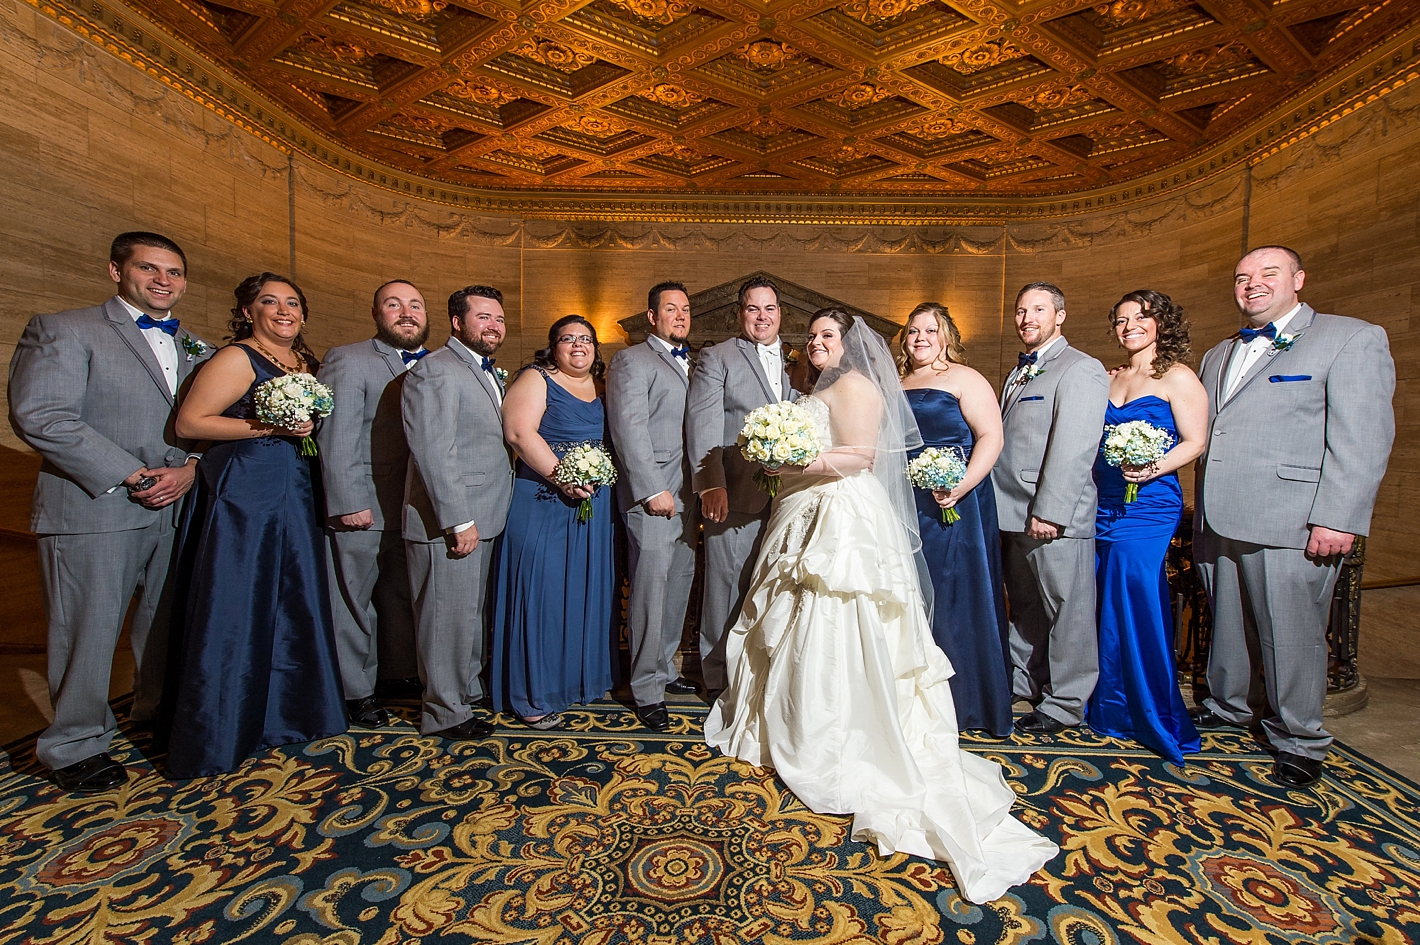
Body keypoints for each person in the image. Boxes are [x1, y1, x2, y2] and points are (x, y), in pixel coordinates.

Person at [706, 310, 1058, 904]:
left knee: (840, 610)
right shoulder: (814, 388)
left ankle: (836, 729)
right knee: (795, 616)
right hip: (804, 505)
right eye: (811, 336)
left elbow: (860, 456)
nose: (817, 344)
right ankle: (793, 717)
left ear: (849, 345)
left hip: (841, 512)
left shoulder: (859, 384)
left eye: (829, 336)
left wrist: (788, 463)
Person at [8, 232, 210, 792]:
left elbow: (208, 425)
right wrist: (130, 473)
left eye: (173, 272)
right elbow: (43, 415)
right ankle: (74, 744)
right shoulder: (65, 329)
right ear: (116, 272)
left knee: (165, 623)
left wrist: (191, 468)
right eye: (149, 269)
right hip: (95, 504)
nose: (163, 280)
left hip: (177, 503)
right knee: (88, 629)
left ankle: (156, 715)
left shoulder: (199, 349)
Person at [1193, 246, 1395, 788]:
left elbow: (1363, 440)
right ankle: (1227, 706)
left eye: (1268, 274)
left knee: (1293, 633)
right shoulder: (1217, 354)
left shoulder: (1349, 338)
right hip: (1219, 516)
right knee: (1227, 624)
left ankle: (1300, 737)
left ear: (1298, 280)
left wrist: (1339, 517)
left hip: (1293, 518)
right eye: (1242, 277)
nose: (1252, 284)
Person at [165, 273, 346, 778]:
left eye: (292, 302)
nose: (283, 310)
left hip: (297, 487)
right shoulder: (235, 358)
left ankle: (290, 712)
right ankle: (219, 726)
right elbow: (191, 423)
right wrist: (271, 425)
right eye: (269, 301)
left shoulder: (307, 364)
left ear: (304, 315)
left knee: (293, 595)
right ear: (247, 311)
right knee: (239, 596)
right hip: (246, 489)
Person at [1086, 290, 1206, 765]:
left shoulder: (1178, 376)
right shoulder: (1109, 376)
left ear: (1162, 323)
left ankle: (1156, 713)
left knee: (1138, 596)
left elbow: (1195, 441)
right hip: (1103, 501)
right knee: (1104, 598)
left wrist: (1151, 466)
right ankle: (1112, 709)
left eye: (1141, 317)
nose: (1129, 325)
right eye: (1121, 319)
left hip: (1150, 504)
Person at [993, 282, 1109, 736]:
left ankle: (1066, 703)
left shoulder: (1081, 369)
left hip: (1053, 516)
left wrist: (1053, 511)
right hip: (1013, 511)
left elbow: (1075, 447)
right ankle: (1023, 682)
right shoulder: (1019, 371)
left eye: (1038, 310)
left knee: (1068, 610)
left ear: (1060, 316)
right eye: (1021, 311)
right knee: (1024, 606)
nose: (1027, 319)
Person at [402, 285, 513, 740]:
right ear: (457, 321)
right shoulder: (436, 370)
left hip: (485, 512)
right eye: (483, 317)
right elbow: (433, 450)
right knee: (445, 616)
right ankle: (445, 712)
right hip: (451, 520)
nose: (493, 326)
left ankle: (463, 691)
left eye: (499, 319)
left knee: (466, 614)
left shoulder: (483, 372)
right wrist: (457, 518)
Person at [494, 315, 615, 730]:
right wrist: (564, 477)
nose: (578, 345)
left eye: (586, 339)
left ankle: (573, 683)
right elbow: (518, 433)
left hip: (593, 504)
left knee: (582, 591)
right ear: (553, 345)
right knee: (541, 594)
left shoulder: (602, 385)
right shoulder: (535, 378)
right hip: (544, 499)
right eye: (568, 338)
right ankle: (532, 695)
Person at [316, 280, 427, 728]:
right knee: (352, 598)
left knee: (400, 596)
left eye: (415, 305)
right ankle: (353, 690)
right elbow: (336, 435)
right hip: (364, 501)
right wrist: (347, 500)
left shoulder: (436, 364)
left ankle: (398, 673)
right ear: (376, 313)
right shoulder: (349, 358)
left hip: (414, 506)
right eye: (394, 304)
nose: (406, 312)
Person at [899, 303, 1012, 737]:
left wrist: (960, 485)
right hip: (905, 502)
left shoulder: (965, 378)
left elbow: (991, 437)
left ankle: (966, 702)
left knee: (953, 594)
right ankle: (914, 700)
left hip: (955, 502)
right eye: (913, 331)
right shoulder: (895, 382)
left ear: (947, 336)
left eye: (931, 329)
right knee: (910, 594)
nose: (921, 337)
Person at [685, 276, 796, 696]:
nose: (762, 317)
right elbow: (703, 422)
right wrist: (711, 485)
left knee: (768, 585)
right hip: (732, 493)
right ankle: (718, 679)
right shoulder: (718, 356)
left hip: (785, 496)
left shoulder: (793, 360)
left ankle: (758, 674)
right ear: (740, 313)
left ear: (780, 314)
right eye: (753, 308)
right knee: (724, 589)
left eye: (769, 308)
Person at [606, 282, 699, 732]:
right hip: (655, 494)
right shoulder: (631, 360)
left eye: (685, 310)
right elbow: (628, 428)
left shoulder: (694, 361)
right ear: (651, 316)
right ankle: (645, 689)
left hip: (691, 494)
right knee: (648, 589)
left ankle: (665, 669)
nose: (679, 316)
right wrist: (649, 488)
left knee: (677, 584)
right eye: (670, 309)